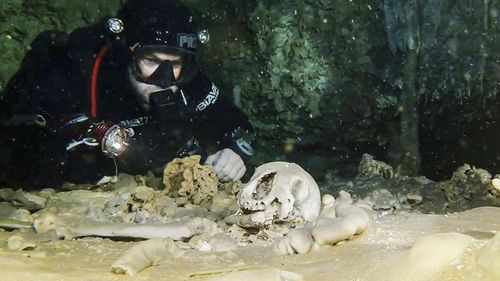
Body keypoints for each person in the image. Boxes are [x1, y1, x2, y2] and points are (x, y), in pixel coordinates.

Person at [0, 0, 254, 188]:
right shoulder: (77, 68)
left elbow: (237, 125)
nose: (164, 78)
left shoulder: (188, 79)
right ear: (127, 54)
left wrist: (235, 152)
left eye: (174, 63)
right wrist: (64, 163)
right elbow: (12, 137)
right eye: (152, 60)